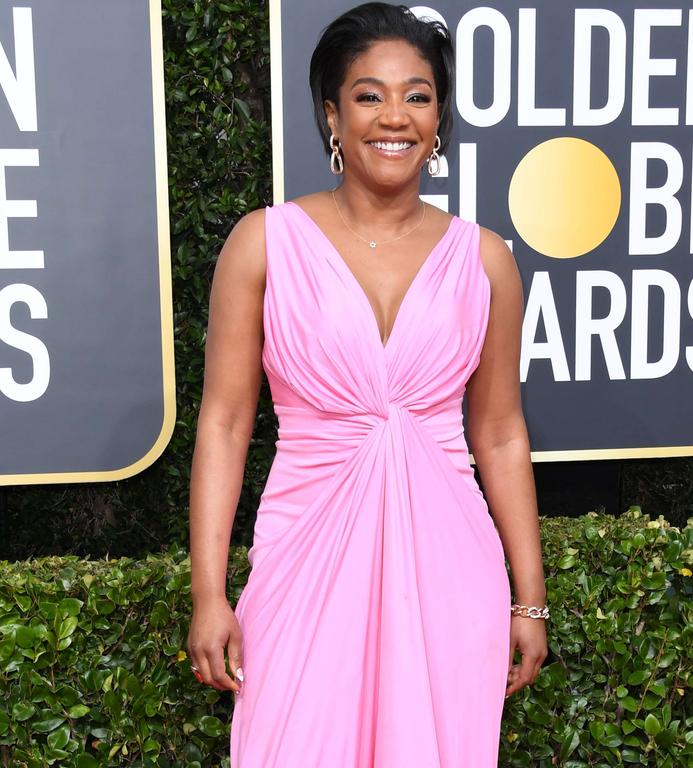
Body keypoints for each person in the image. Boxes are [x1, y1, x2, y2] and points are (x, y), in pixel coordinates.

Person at [186, 3, 548, 765]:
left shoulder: (486, 261)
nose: (396, 117)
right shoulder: (264, 244)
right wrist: (209, 594)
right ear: (332, 115)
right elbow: (223, 424)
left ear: (440, 118)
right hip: (302, 562)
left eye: (417, 96)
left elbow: (501, 433)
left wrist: (529, 600)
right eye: (369, 95)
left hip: (450, 571)